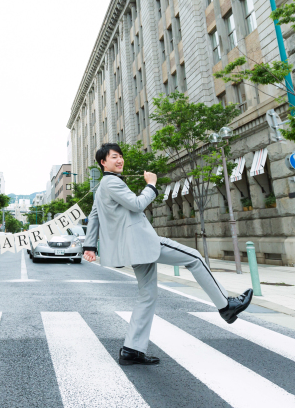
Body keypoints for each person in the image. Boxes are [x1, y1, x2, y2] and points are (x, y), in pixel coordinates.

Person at [83, 143, 252, 366]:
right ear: (103, 162)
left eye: (121, 156)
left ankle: (132, 349)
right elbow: (136, 205)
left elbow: (94, 216)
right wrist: (151, 185)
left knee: (147, 296)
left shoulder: (104, 186)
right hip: (143, 243)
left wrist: (90, 247)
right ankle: (225, 306)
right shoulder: (112, 182)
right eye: (114, 157)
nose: (120, 160)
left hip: (136, 249)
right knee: (195, 257)